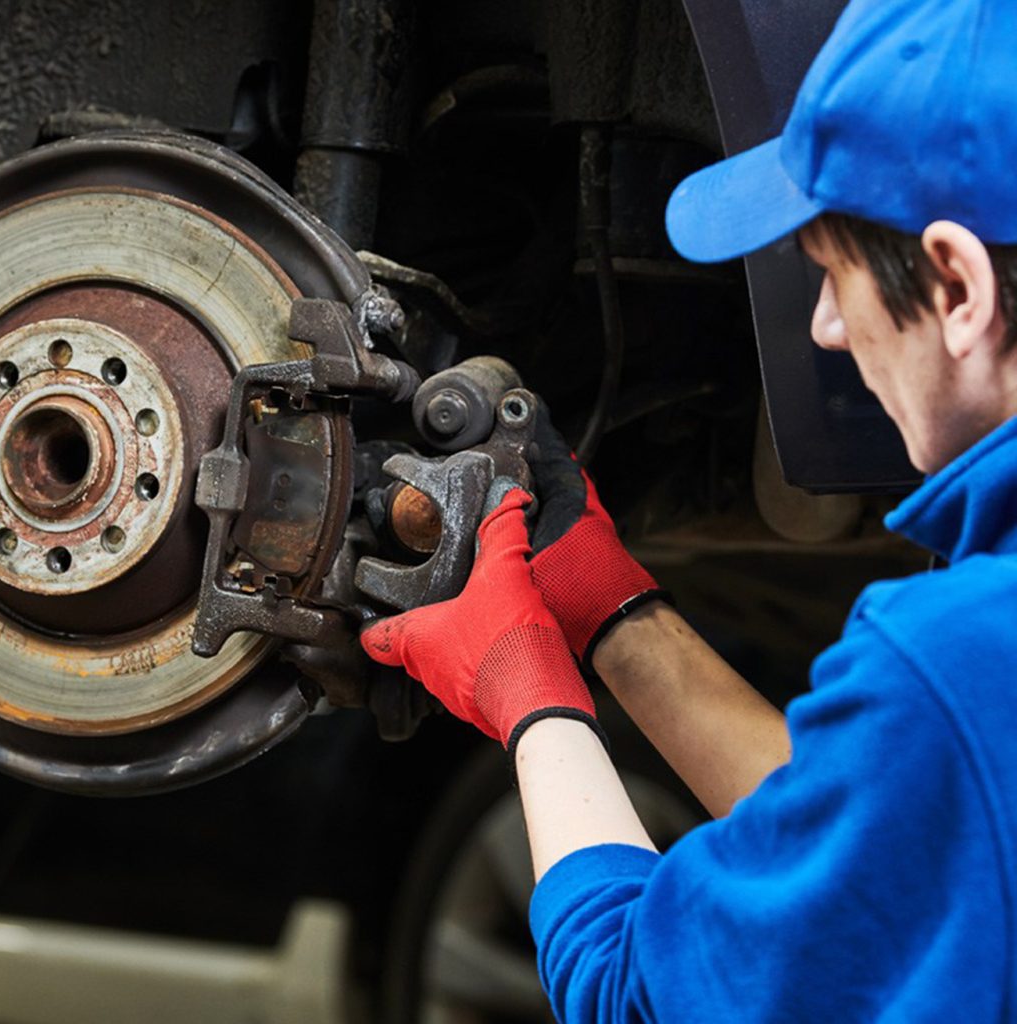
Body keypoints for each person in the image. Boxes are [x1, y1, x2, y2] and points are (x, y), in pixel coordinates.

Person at [362, 0, 1017, 1018]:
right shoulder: (971, 688)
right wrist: (615, 614)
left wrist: (528, 698)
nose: (829, 329)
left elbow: (641, 993)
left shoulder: (961, 653)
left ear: (957, 285)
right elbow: (873, 857)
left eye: (833, 276)